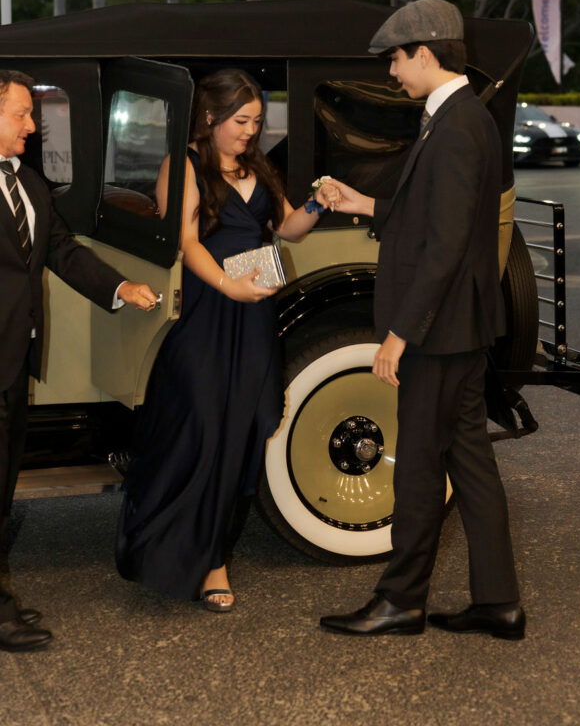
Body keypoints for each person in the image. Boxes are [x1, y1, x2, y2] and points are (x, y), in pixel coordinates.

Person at [319, 0, 524, 639]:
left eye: (397, 59)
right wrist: (366, 204)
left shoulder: (456, 124)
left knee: (416, 468)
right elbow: (433, 216)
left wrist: (399, 334)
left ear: (426, 54)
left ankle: (400, 601)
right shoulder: (461, 116)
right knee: (471, 466)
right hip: (460, 326)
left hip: (438, 331)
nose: (391, 73)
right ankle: (498, 602)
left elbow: (445, 245)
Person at [116, 69, 336, 612]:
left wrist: (318, 202)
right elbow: (187, 242)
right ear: (211, 116)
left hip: (252, 314)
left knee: (246, 427)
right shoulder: (183, 164)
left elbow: (286, 228)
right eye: (241, 121)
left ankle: (213, 552)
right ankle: (183, 554)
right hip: (206, 309)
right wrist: (228, 286)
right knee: (201, 428)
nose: (250, 131)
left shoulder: (257, 166)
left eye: (257, 121)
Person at [0, 69, 158, 653]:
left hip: (15, 360)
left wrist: (121, 288)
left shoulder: (28, 182)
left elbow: (62, 251)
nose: (31, 125)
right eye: (20, 114)